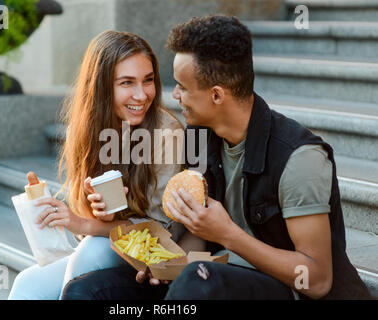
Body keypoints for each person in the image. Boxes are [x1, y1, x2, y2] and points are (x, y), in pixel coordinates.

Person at [61, 15, 372, 300]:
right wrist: (165, 265)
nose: (174, 96)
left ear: (217, 94)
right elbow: (196, 238)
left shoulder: (298, 158)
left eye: (182, 87)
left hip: (283, 291)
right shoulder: (201, 140)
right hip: (211, 278)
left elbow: (316, 280)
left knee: (197, 281)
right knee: (89, 291)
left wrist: (228, 235)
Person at [8, 30, 205, 300]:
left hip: (156, 261)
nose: (141, 95)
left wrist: (86, 225)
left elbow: (161, 235)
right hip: (108, 244)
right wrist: (101, 217)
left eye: (148, 80)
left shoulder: (166, 133)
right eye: (126, 83)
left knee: (90, 255)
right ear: (101, 86)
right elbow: (90, 228)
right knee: (26, 285)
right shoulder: (89, 130)